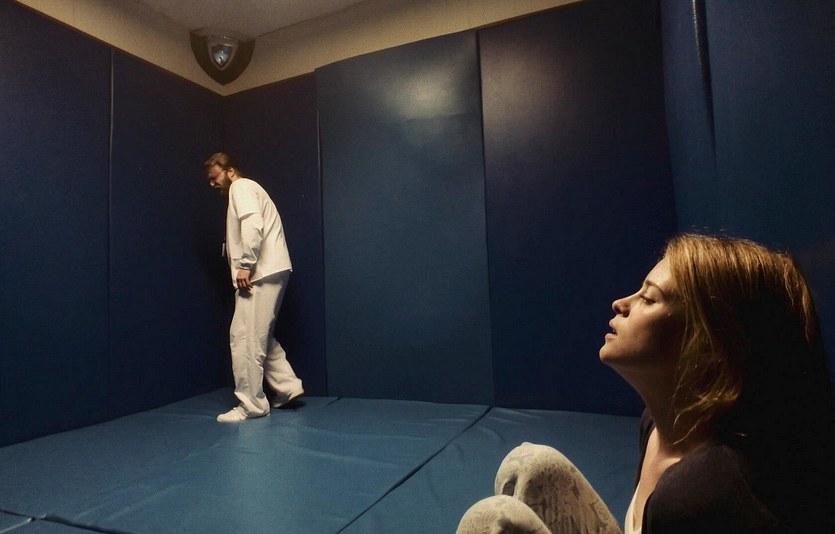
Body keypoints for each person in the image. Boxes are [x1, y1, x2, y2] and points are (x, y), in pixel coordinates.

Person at [457, 234, 835, 533]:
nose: (621, 303)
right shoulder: (658, 423)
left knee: (489, 520)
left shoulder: (702, 494)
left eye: (649, 299)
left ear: (706, 344)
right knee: (531, 464)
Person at [204, 152, 304, 423]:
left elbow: (252, 224)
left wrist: (245, 264)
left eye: (215, 177)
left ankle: (251, 406)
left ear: (231, 171)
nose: (212, 184)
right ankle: (287, 386)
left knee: (244, 337)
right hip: (270, 269)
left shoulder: (241, 187)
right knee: (260, 334)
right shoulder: (249, 189)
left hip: (259, 272)